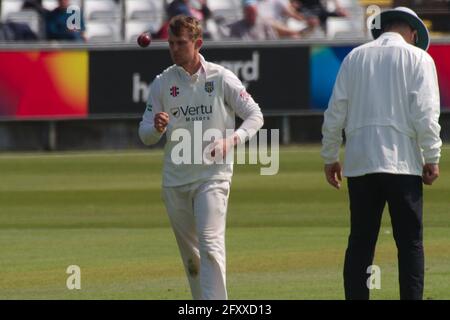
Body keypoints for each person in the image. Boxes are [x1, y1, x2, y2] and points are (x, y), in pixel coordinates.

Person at [138, 15, 264, 299]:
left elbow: (255, 116)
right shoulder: (162, 82)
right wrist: (156, 128)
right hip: (175, 181)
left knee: (210, 246)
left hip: (213, 176)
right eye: (171, 43)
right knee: (192, 260)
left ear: (197, 44)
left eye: (181, 43)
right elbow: (144, 133)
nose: (174, 49)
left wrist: (232, 140)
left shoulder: (221, 77)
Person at [321, 7, 441, 300]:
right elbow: (425, 114)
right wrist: (432, 156)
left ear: (383, 27)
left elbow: (335, 111)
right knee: (410, 243)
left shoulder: (355, 57)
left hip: (361, 164)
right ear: (413, 33)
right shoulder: (419, 58)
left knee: (360, 243)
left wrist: (330, 156)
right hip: (403, 165)